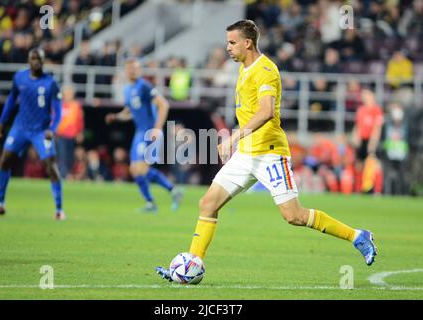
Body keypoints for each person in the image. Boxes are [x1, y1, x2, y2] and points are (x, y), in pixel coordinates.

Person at [156, 20, 377, 281]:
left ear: (247, 43)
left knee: (293, 216)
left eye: (232, 42)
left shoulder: (266, 70)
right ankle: (190, 266)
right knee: (208, 204)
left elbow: (266, 111)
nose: (227, 47)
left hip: (270, 153)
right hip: (246, 154)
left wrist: (233, 137)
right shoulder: (243, 68)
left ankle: (357, 236)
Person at [0, 48, 65, 220]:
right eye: (33, 58)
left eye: (39, 59)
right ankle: (0, 204)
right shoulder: (19, 78)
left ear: (43, 62)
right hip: (20, 127)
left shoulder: (51, 83)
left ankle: (59, 209)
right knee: (5, 160)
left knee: (51, 165)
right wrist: (1, 122)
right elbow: (11, 101)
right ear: (28, 60)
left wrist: (52, 129)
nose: (36, 61)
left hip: (41, 131)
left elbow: (58, 112)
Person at [105, 58, 183, 212]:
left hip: (149, 132)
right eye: (129, 68)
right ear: (126, 71)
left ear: (139, 70)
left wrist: (157, 128)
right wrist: (116, 117)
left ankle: (170, 191)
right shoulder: (127, 89)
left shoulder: (144, 86)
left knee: (141, 168)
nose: (132, 71)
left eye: (135, 68)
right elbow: (130, 112)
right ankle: (155, 200)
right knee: (135, 170)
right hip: (139, 133)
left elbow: (163, 104)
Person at [56, 84, 84, 179]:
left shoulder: (76, 105)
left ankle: (69, 173)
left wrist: (80, 132)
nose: (69, 95)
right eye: (67, 93)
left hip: (72, 135)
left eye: (70, 93)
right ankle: (64, 174)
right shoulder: (59, 105)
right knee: (62, 154)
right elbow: (54, 119)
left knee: (70, 156)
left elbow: (80, 120)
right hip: (61, 134)